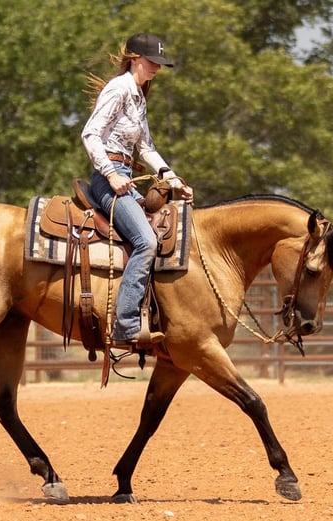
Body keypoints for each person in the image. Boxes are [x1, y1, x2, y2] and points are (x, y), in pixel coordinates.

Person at [81, 32, 194, 347]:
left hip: (126, 176)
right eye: (151, 61)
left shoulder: (138, 97)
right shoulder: (118, 89)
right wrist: (111, 175)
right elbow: (90, 134)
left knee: (161, 231)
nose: (156, 68)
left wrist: (174, 180)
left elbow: (145, 147)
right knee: (146, 241)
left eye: (159, 63)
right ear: (134, 59)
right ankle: (126, 324)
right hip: (110, 179)